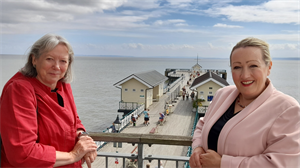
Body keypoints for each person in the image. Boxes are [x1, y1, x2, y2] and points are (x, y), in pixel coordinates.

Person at [189, 37, 300, 168]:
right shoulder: (222, 94)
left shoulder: (287, 109)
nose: (245, 75)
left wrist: (222, 164)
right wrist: (198, 147)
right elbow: (202, 124)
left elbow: (281, 163)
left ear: (269, 67)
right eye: (237, 67)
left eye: (253, 65)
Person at [0, 34, 98, 168]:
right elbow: (22, 153)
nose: (56, 66)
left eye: (63, 61)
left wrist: (83, 136)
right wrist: (74, 155)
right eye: (49, 59)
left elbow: (74, 120)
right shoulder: (19, 90)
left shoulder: (62, 85)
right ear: (34, 59)